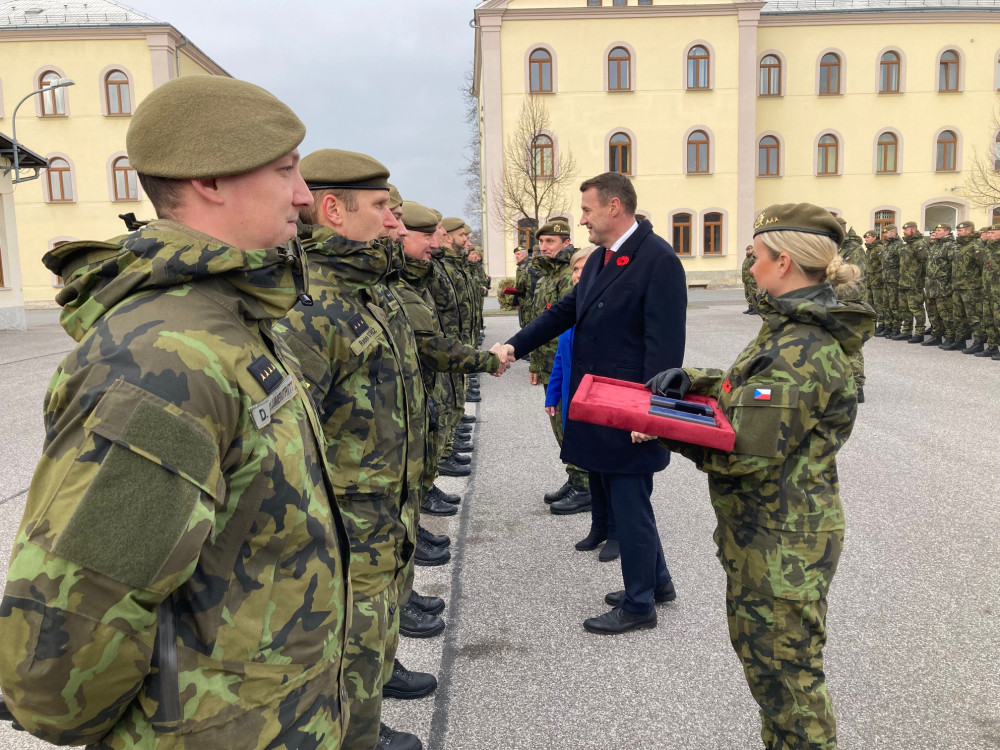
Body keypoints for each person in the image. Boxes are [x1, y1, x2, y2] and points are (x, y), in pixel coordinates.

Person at [0, 76, 352, 748]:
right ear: (211, 181)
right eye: (284, 171)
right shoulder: (168, 362)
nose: (305, 195)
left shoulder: (226, 320)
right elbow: (60, 663)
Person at [642, 202, 874, 750]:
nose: (750, 268)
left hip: (782, 545)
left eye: (756, 256)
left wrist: (658, 425)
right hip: (768, 535)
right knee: (772, 676)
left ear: (785, 262)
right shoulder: (793, 330)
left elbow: (744, 450)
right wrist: (693, 380)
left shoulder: (804, 345)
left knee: (788, 684)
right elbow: (750, 389)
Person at [275, 149, 428, 750]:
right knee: (355, 637)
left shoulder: (368, 288)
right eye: (383, 207)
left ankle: (368, 721)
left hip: (387, 501)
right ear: (334, 210)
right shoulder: (311, 304)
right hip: (351, 515)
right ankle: (357, 733)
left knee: (376, 628)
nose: (392, 220)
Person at [496, 172, 687, 634]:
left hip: (628, 410)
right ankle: (656, 583)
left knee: (630, 501)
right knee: (629, 499)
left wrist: (652, 413)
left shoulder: (657, 260)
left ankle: (640, 605)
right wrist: (513, 346)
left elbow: (665, 347)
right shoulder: (605, 257)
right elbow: (566, 311)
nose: (582, 219)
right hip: (599, 404)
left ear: (614, 206)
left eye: (586, 210)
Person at [529, 220, 592, 515]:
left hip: (570, 364)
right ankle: (575, 475)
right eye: (542, 242)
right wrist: (535, 361)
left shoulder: (572, 275)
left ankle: (584, 484)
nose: (544, 247)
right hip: (552, 362)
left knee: (570, 426)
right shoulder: (546, 275)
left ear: (566, 242)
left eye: (550, 241)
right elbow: (539, 321)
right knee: (559, 425)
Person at [952, 220, 986, 354]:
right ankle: (960, 340)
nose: (958, 232)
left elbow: (983, 267)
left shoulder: (976, 246)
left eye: (961, 230)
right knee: (958, 315)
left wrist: (978, 284)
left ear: (969, 230)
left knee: (974, 316)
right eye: (958, 230)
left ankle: (979, 342)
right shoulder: (959, 246)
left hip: (971, 288)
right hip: (958, 286)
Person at [894, 221, 928, 343]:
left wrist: (920, 278)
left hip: (914, 283)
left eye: (906, 230)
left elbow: (925, 263)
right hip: (903, 281)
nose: (904, 232)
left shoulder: (920, 244)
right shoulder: (906, 245)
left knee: (916, 308)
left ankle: (919, 332)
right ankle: (906, 331)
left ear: (913, 230)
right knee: (904, 308)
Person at [924, 223, 957, 350]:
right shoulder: (935, 246)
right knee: (933, 312)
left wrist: (950, 284)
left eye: (939, 230)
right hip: (931, 286)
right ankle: (936, 335)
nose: (936, 232)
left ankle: (950, 337)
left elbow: (954, 267)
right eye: (936, 230)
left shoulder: (950, 246)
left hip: (943, 286)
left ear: (947, 232)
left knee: (946, 314)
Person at [978, 224, 1000, 360]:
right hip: (987, 291)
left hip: (998, 292)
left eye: (993, 233)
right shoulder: (988, 249)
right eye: (989, 233)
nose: (990, 235)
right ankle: (992, 346)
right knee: (989, 321)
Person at [742, 244, 759, 314]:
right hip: (747, 281)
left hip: (752, 281)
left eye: (750, 249)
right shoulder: (747, 258)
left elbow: (757, 267)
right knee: (748, 295)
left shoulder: (753, 258)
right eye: (747, 249)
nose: (748, 250)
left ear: (753, 249)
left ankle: (755, 309)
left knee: (753, 296)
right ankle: (751, 308)